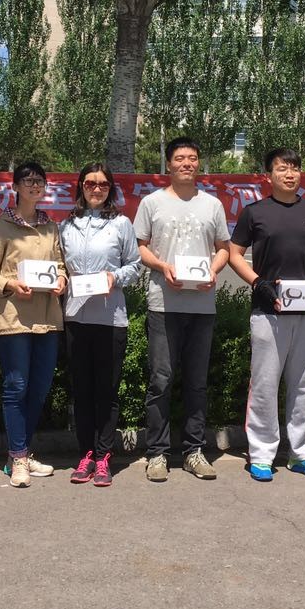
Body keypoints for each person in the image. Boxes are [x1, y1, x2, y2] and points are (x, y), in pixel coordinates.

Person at [229, 147, 305, 482]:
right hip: (267, 312)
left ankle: (302, 454)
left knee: (304, 384)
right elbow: (234, 253)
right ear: (268, 175)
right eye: (282, 169)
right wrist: (258, 283)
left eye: (295, 168)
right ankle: (261, 455)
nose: (290, 174)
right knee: (264, 384)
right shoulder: (254, 212)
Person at [134, 137, 231, 482]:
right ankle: (157, 453)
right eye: (179, 158)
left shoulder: (212, 205)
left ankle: (193, 451)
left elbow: (223, 248)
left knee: (196, 382)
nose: (186, 163)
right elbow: (140, 247)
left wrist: (214, 270)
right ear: (169, 164)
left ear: (198, 163)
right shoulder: (151, 202)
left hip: (202, 306)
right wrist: (163, 267)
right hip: (163, 303)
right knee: (161, 380)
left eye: (192, 158)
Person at [0, 161, 68, 488]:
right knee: (16, 387)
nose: (34, 185)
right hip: (12, 318)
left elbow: (60, 266)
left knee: (39, 389)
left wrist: (61, 280)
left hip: (47, 319)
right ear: (15, 186)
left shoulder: (51, 227)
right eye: (27, 180)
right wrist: (10, 285)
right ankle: (17, 457)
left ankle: (23, 453)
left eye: (39, 181)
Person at [59, 163, 143, 486]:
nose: (96, 189)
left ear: (111, 188)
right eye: (90, 183)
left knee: (106, 391)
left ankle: (105, 455)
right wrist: (59, 278)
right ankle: (86, 454)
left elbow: (134, 266)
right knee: (82, 391)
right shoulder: (67, 225)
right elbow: (59, 266)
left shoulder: (121, 224)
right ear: (81, 186)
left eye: (103, 184)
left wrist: (114, 277)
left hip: (110, 319)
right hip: (76, 317)